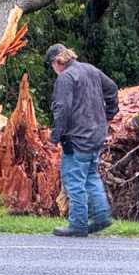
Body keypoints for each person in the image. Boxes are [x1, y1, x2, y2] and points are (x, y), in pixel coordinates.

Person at [47, 44, 119, 237]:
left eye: (52, 65)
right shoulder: (91, 70)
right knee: (91, 176)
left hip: (77, 138)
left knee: (73, 180)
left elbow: (62, 109)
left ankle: (77, 224)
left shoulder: (65, 78)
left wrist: (54, 137)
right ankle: (101, 216)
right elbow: (112, 88)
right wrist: (108, 114)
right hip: (96, 134)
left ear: (56, 62)